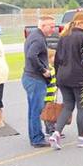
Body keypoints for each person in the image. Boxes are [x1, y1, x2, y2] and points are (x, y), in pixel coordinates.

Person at [49, 11, 83, 149]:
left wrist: (57, 76)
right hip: (79, 77)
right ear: (80, 23)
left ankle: (56, 133)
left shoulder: (64, 37)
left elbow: (57, 59)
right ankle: (82, 137)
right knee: (82, 107)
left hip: (63, 77)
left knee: (68, 105)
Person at [22, 15, 55, 147]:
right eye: (51, 26)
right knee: (36, 110)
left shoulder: (33, 35)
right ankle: (37, 138)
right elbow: (31, 55)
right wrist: (43, 70)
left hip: (30, 77)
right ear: (43, 26)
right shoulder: (39, 39)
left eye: (54, 26)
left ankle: (34, 136)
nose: (53, 29)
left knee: (32, 110)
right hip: (35, 79)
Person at [43, 49, 59, 137]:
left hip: (52, 95)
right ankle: (51, 130)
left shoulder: (52, 68)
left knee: (50, 113)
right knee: (49, 114)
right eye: (54, 57)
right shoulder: (49, 68)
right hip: (48, 96)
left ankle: (48, 130)